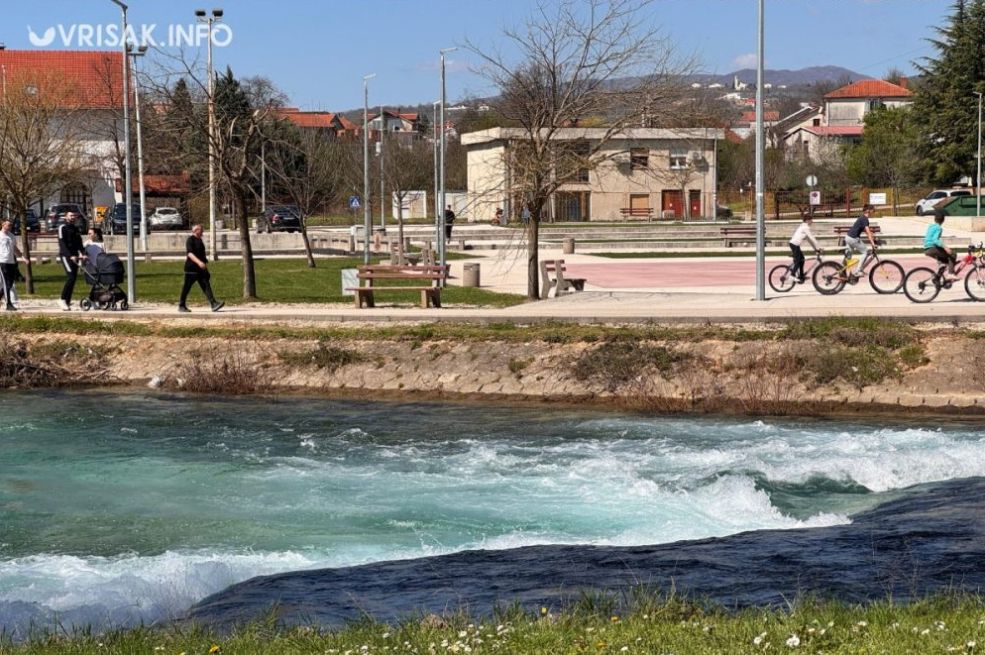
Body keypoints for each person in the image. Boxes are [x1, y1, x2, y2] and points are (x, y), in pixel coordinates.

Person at [178, 223, 224, 313]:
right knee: (186, 287)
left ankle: (213, 304)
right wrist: (199, 262)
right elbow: (190, 253)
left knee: (206, 285)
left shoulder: (199, 240)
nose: (202, 230)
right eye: (201, 229)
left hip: (200, 269)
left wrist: (205, 267)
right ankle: (181, 305)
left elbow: (201, 255)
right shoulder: (190, 240)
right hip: (191, 268)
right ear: (195, 230)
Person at [57, 211, 86, 311]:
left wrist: (83, 253)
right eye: (70, 215)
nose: (73, 217)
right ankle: (62, 299)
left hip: (75, 256)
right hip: (66, 256)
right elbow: (62, 244)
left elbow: (79, 243)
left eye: (74, 215)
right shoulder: (62, 228)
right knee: (70, 277)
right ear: (66, 217)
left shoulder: (75, 228)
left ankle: (67, 301)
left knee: (73, 279)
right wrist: (70, 255)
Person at [843, 204, 879, 277]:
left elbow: (866, 231)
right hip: (853, 238)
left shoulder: (862, 218)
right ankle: (858, 271)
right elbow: (868, 232)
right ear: (868, 210)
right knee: (865, 252)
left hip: (848, 237)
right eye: (873, 210)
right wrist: (873, 244)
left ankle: (842, 273)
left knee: (848, 258)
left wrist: (872, 236)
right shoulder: (865, 219)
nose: (874, 212)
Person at [0, 219, 27, 311]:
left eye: (11, 225)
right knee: (5, 282)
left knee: (10, 283)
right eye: (8, 225)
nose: (10, 226)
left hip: (11, 262)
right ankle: (9, 304)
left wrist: (23, 258)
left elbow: (15, 248)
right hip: (2, 262)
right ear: (3, 225)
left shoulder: (12, 236)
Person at [924, 209, 959, 281]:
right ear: (943, 220)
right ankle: (951, 274)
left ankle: (937, 278)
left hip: (927, 249)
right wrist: (945, 247)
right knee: (953, 254)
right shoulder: (938, 228)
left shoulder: (931, 226)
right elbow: (935, 240)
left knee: (945, 262)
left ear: (935, 219)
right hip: (932, 248)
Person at [788, 215, 822, 283]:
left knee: (802, 259)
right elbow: (812, 238)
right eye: (811, 220)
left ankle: (801, 276)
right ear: (807, 220)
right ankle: (792, 276)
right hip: (794, 245)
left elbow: (809, 240)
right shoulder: (805, 227)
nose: (812, 221)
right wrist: (819, 247)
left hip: (795, 245)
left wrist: (815, 249)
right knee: (798, 261)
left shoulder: (804, 226)